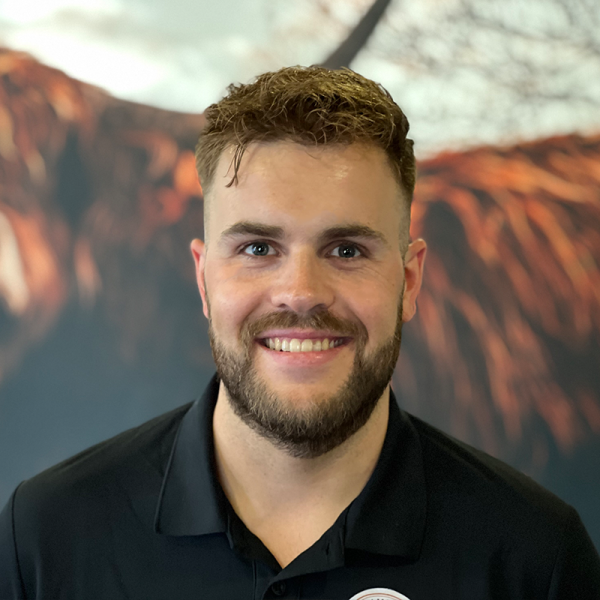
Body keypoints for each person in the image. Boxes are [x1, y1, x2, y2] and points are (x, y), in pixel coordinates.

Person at [1, 66, 599, 600]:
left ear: (410, 280)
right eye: (258, 248)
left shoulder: (536, 558)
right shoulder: (45, 539)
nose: (301, 292)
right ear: (203, 280)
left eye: (347, 249)